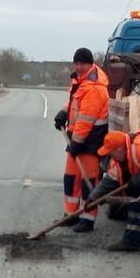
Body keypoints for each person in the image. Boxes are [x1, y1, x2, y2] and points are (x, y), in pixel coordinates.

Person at [55, 48, 109, 233]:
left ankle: (87, 218)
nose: (78, 67)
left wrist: (76, 143)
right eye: (76, 63)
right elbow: (73, 102)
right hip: (77, 138)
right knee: (70, 178)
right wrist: (63, 113)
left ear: (90, 64)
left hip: (90, 140)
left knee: (89, 182)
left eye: (82, 63)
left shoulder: (94, 87)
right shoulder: (80, 81)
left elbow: (87, 119)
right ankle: (70, 215)